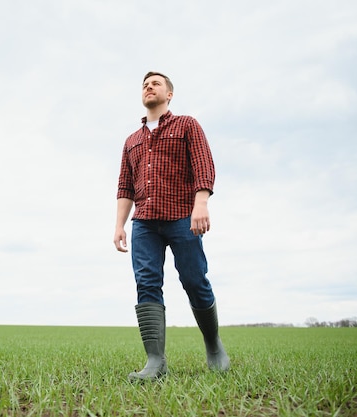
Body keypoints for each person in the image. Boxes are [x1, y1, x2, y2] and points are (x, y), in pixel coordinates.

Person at [114, 71, 230, 382]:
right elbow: (125, 186)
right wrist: (119, 225)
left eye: (155, 84)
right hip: (145, 224)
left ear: (169, 94)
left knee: (194, 279)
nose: (148, 87)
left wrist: (201, 204)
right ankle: (155, 360)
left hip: (182, 216)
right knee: (147, 283)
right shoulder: (132, 141)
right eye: (144, 84)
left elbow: (204, 164)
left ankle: (213, 344)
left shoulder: (187, 125)